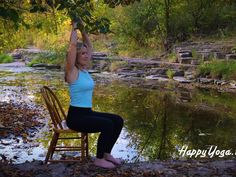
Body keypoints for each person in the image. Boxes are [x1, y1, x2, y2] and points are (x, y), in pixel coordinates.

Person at [65, 21, 124, 169]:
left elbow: (89, 46)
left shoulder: (84, 70)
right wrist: (74, 28)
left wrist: (83, 30)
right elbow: (72, 47)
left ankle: (106, 154)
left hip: (87, 112)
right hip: (76, 117)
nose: (86, 56)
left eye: (86, 54)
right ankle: (98, 159)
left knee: (117, 120)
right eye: (82, 54)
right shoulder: (72, 72)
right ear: (76, 57)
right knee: (107, 124)